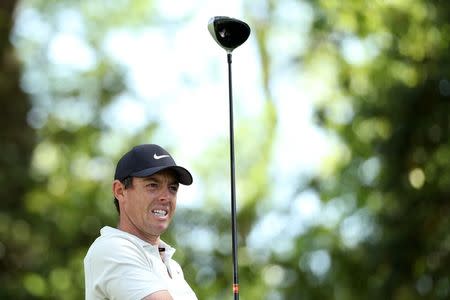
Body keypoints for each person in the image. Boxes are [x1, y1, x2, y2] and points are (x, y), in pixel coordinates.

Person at [84, 144, 198, 300]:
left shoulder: (173, 266)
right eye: (152, 185)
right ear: (120, 191)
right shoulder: (112, 248)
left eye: (172, 188)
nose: (166, 196)